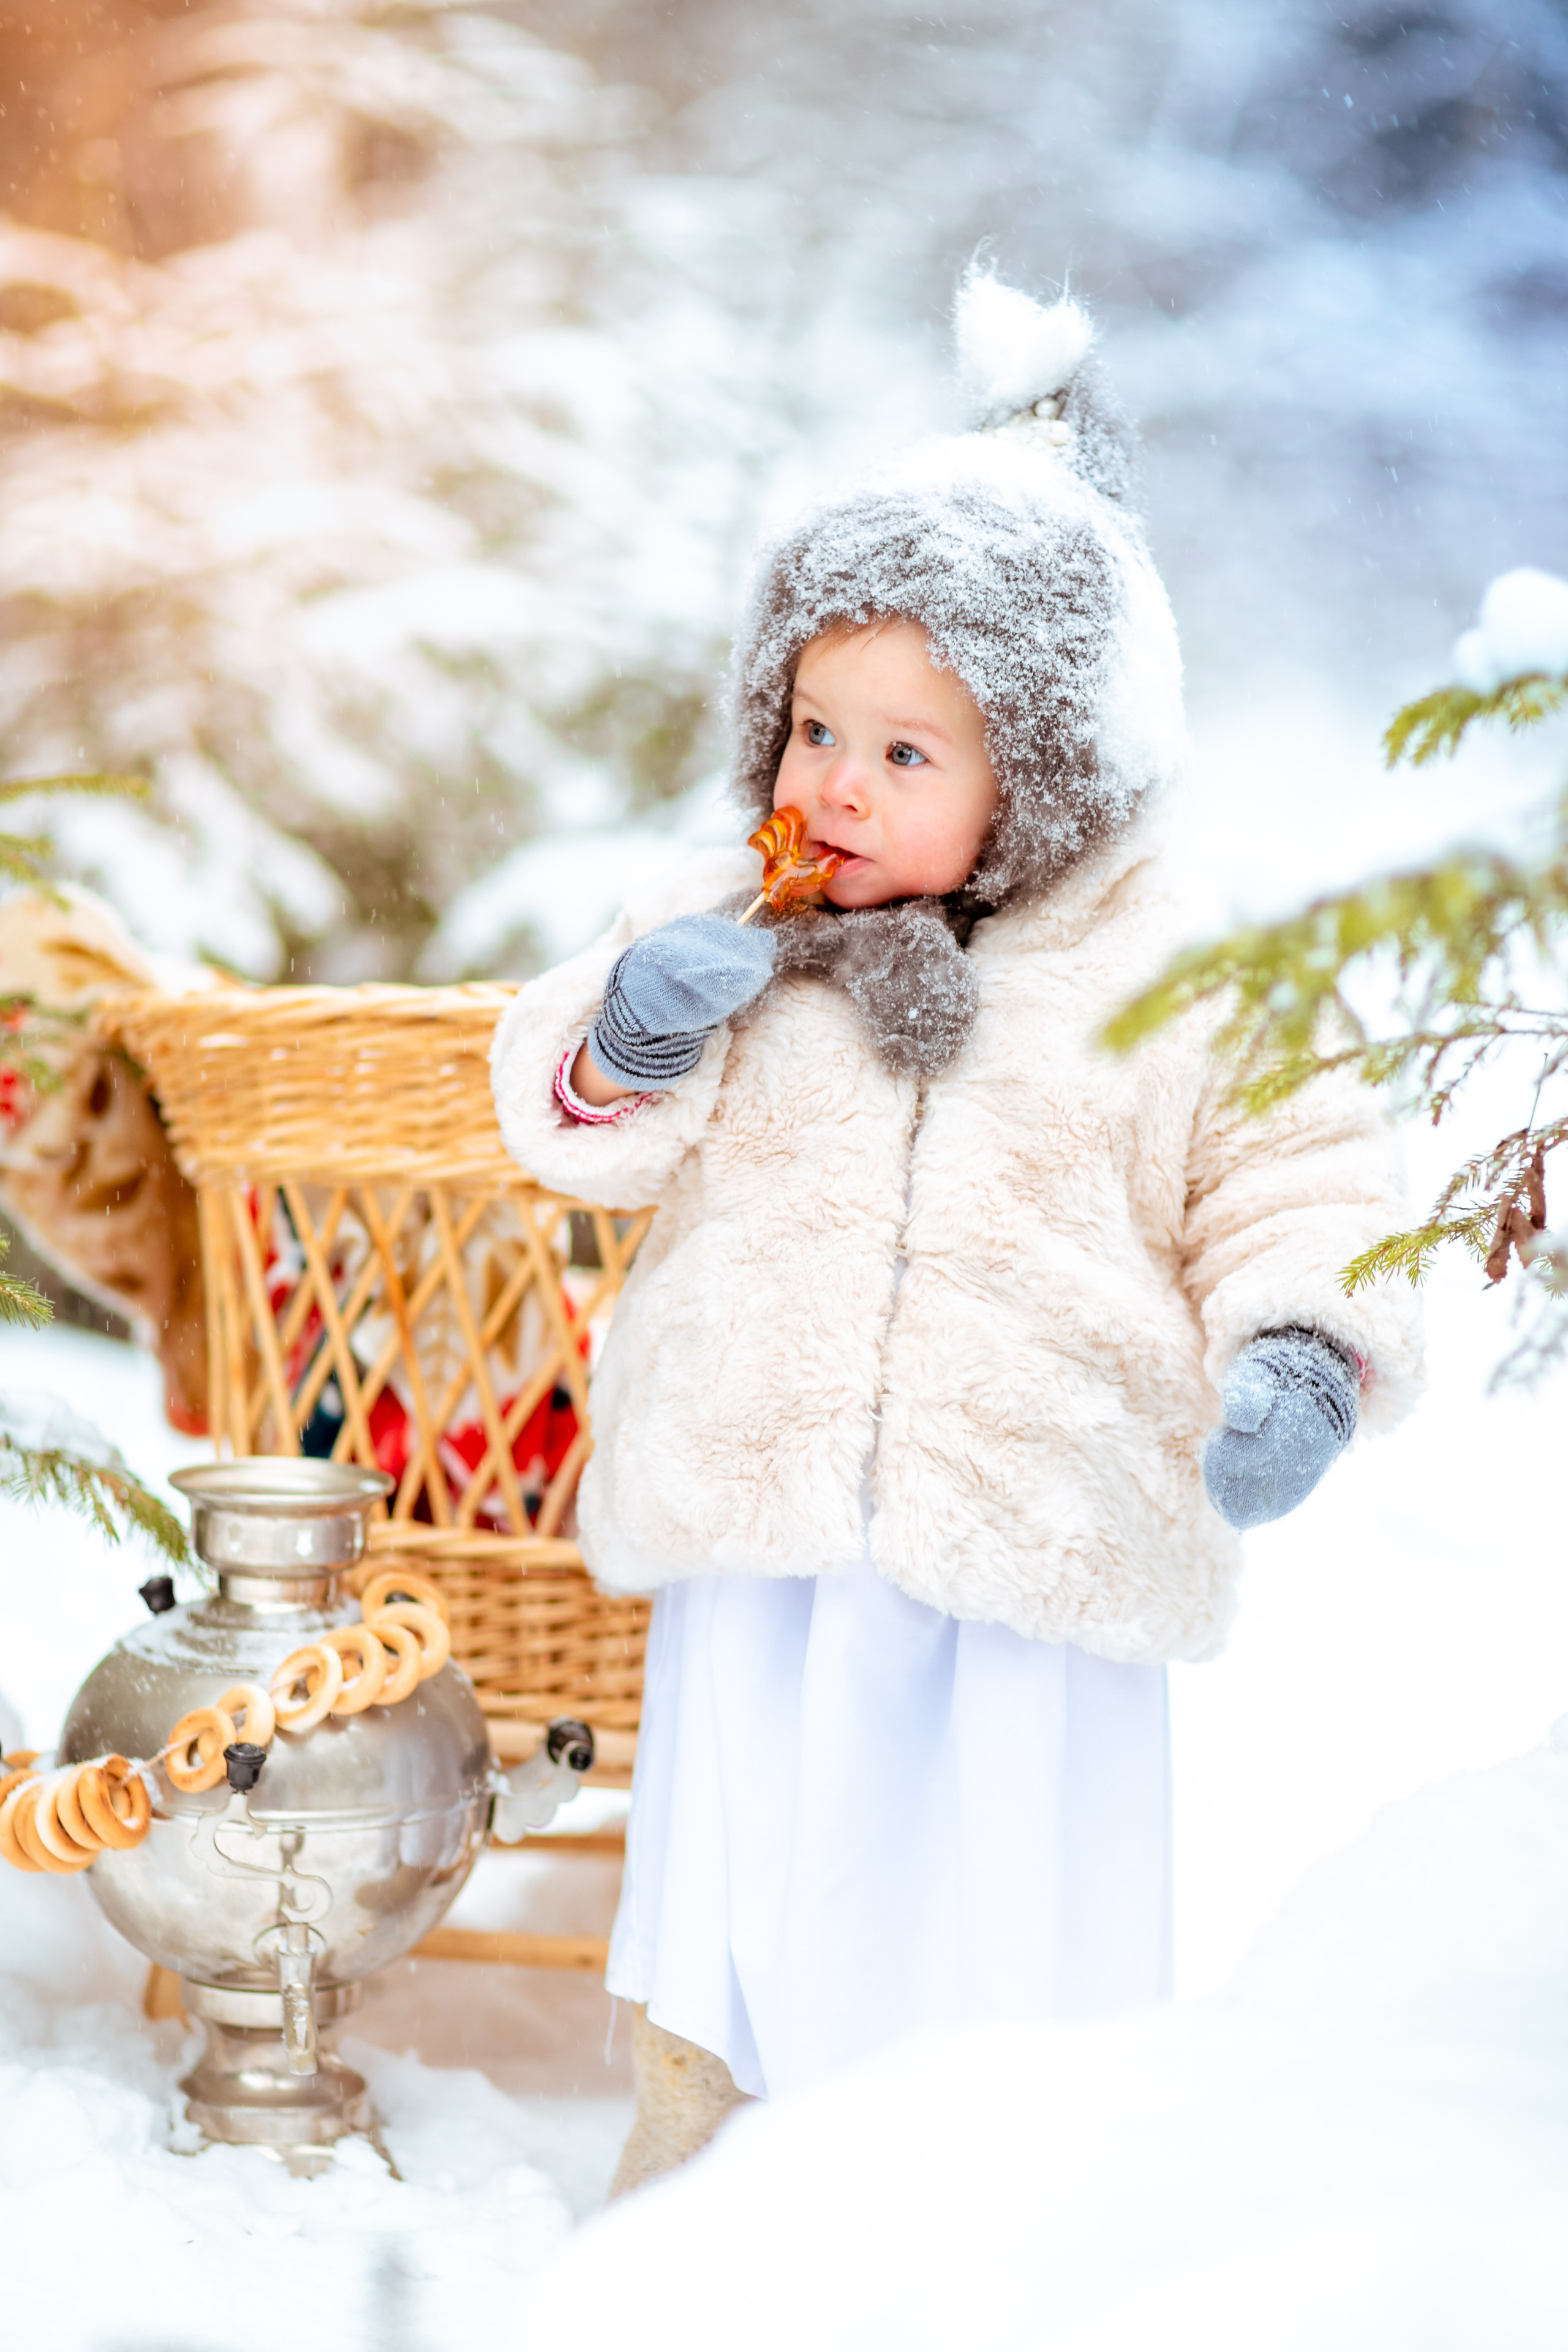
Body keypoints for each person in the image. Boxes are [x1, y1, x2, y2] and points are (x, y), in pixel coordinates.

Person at [490, 270, 1423, 2194]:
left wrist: (1303, 1353)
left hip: (1035, 1527)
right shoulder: (734, 933)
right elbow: (575, 1128)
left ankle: (1003, 2193)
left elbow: (1307, 1168)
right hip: (765, 1514)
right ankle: (708, 2154)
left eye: (902, 753)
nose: (829, 782)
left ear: (1046, 777)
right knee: (752, 1850)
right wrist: (634, 1036)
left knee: (1000, 1877)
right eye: (811, 725)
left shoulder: (1178, 963)